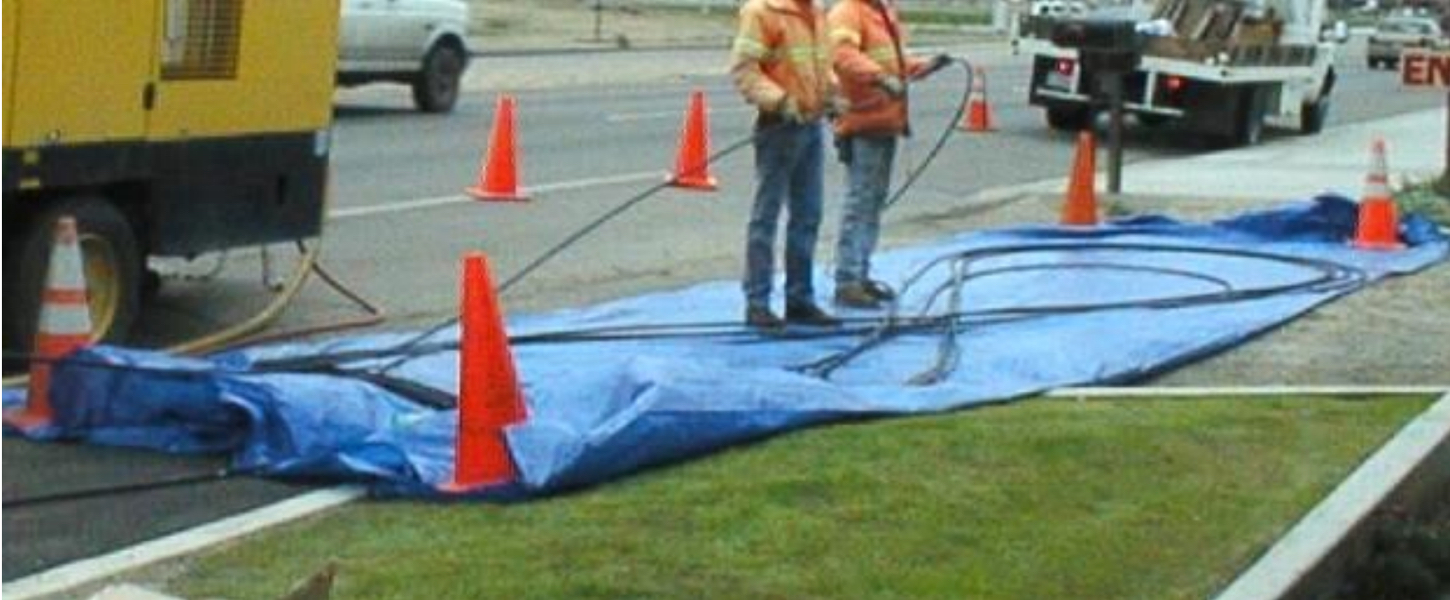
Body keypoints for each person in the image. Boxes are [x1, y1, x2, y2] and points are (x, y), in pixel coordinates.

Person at [827, 0, 951, 309]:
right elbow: (842, 55)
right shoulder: (849, 11)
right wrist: (880, 78)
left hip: (884, 123)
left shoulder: (881, 11)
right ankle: (848, 280)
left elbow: (893, 62)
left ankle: (860, 274)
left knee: (872, 202)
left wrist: (923, 66)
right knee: (861, 201)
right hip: (863, 122)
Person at [730, 0, 841, 330]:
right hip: (777, 127)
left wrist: (831, 97)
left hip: (809, 125)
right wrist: (779, 100)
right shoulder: (762, 11)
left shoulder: (817, 13)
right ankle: (758, 302)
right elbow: (745, 69)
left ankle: (799, 299)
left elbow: (823, 66)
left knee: (808, 214)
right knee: (766, 216)